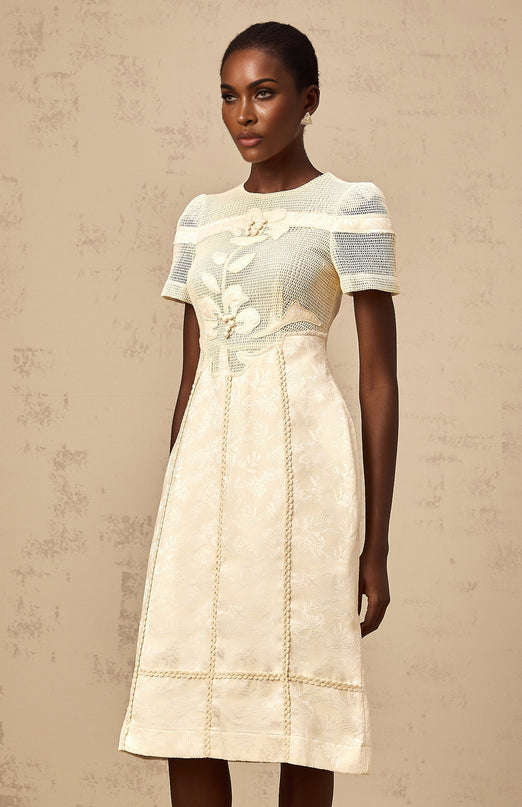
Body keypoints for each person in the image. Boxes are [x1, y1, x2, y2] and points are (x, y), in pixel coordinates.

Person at [118, 21, 399, 807]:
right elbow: (191, 378)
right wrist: (176, 508)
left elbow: (380, 382)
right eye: (229, 96)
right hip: (205, 483)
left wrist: (376, 545)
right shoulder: (200, 218)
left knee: (300, 705)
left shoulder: (350, 207)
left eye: (264, 93)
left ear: (308, 101)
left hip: (304, 479)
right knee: (190, 712)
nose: (243, 114)